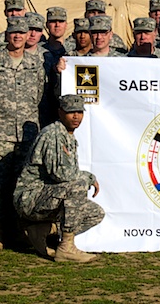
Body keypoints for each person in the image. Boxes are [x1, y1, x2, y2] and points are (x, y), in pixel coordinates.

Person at [0, 17, 47, 249]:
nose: (17, 37)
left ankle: (19, 230)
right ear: (6, 36)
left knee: (22, 184)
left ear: (28, 37)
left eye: (21, 33)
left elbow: (39, 95)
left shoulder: (36, 65)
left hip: (25, 136)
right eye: (13, 33)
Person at [13, 93, 104, 262]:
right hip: (31, 197)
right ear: (60, 112)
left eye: (79, 112)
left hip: (48, 196)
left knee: (95, 213)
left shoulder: (67, 134)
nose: (76, 116)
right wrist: (89, 177)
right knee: (77, 185)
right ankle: (66, 248)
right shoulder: (53, 135)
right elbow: (62, 176)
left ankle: (46, 230)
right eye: (71, 112)